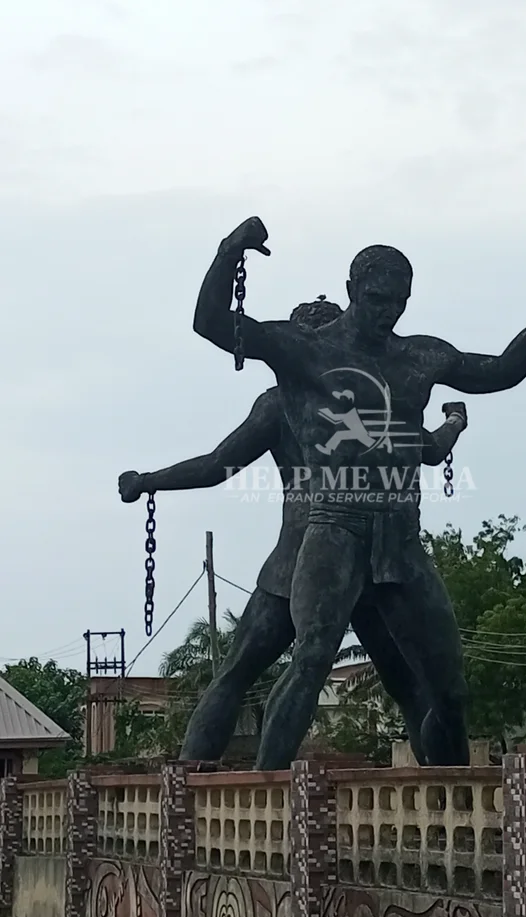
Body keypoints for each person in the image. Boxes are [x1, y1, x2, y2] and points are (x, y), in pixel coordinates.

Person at [191, 216, 526, 770]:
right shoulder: (305, 349)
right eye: (376, 299)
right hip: (334, 525)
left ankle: (456, 806)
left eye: (398, 301)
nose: (387, 311)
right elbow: (210, 324)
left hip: (400, 537)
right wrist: (230, 252)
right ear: (351, 291)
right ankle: (269, 793)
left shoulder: (419, 356)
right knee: (312, 660)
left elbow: (499, 372)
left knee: (449, 690)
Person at [119, 297, 468, 765]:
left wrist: (149, 481)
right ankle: (444, 795)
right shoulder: (366, 404)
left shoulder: (283, 405)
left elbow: (215, 465)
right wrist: (455, 421)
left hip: (303, 562)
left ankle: (202, 789)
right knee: (409, 688)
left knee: (237, 675)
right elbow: (430, 448)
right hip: (369, 565)